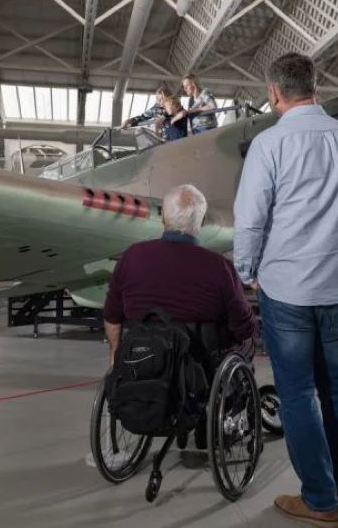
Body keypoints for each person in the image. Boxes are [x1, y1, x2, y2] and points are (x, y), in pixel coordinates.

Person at [233, 52, 338, 528]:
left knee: (297, 393)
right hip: (336, 289)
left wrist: (246, 268)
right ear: (314, 87)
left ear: (274, 93)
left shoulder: (270, 145)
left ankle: (319, 498)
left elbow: (250, 217)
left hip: (287, 289)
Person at [104, 184, 258, 448]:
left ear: (163, 217)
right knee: (247, 342)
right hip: (201, 366)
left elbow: (112, 316)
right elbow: (242, 326)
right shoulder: (219, 267)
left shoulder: (131, 257)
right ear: (199, 223)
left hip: (146, 358)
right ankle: (228, 421)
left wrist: (118, 355)